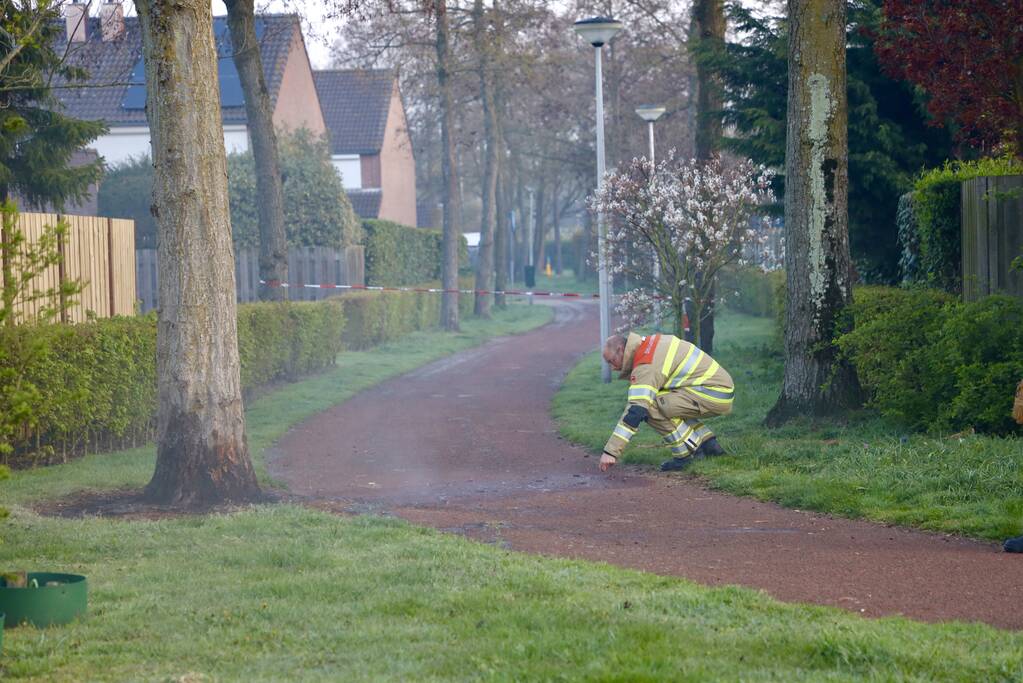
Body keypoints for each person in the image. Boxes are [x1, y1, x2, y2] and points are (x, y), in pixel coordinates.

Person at [598, 332, 734, 473]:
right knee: (664, 400)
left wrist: (610, 452)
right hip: (718, 389)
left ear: (620, 350)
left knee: (649, 407)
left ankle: (687, 454)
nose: (613, 368)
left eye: (611, 361)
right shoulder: (650, 344)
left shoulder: (645, 363)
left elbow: (636, 410)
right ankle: (709, 444)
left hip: (711, 393)